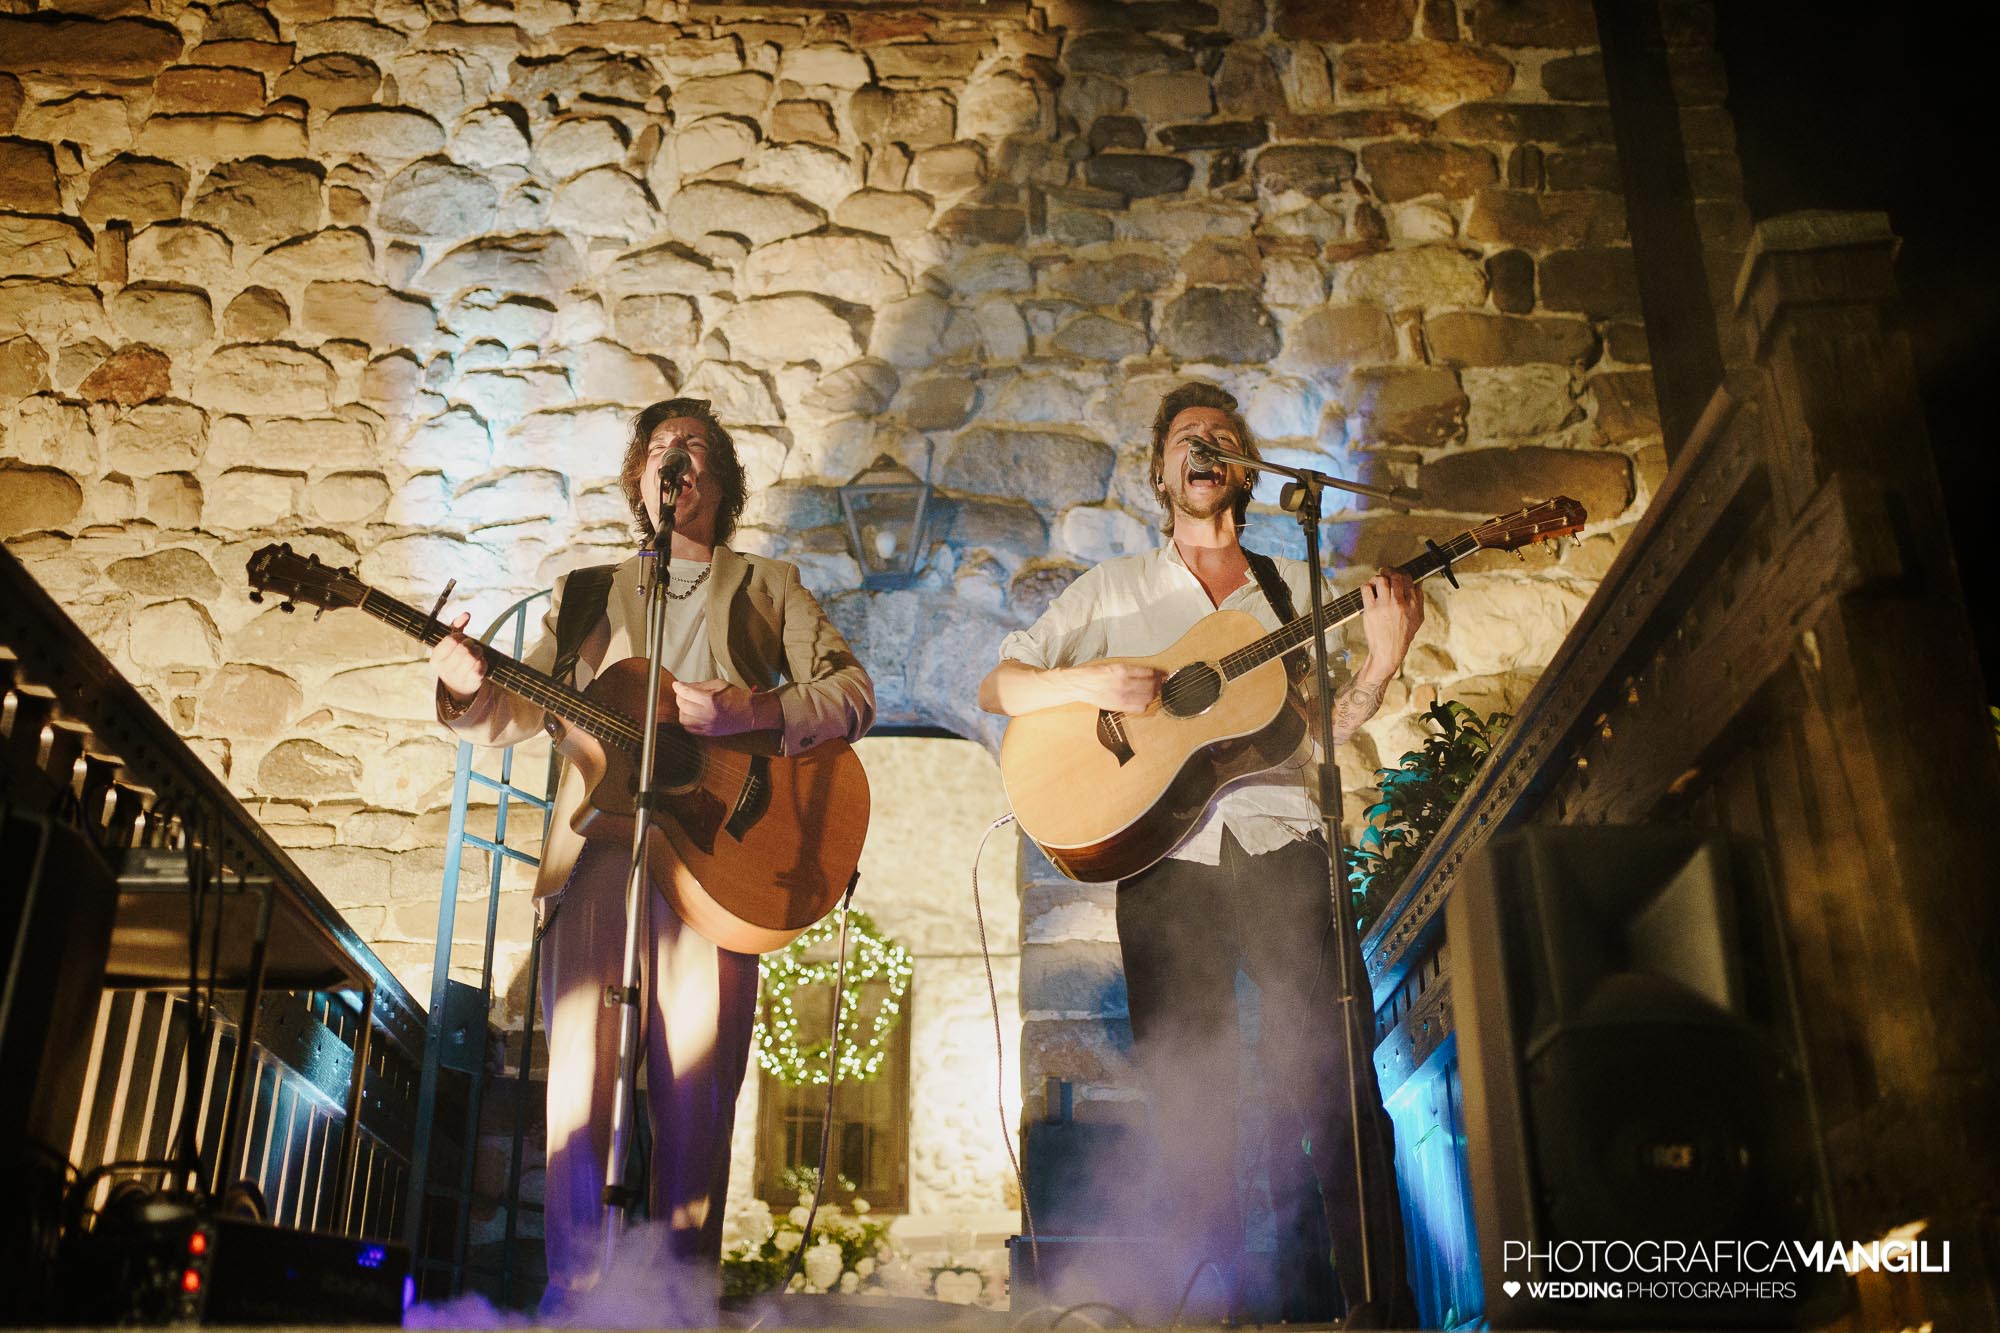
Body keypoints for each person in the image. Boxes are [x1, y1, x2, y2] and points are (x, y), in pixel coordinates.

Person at [977, 381, 1423, 1326]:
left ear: (1246, 470)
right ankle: (1204, 1313)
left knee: (1337, 1086)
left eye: (1224, 436)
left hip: (1284, 848)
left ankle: (1380, 1310)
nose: (1206, 445)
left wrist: (1380, 660)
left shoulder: (1293, 589)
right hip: (1165, 867)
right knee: (1193, 1105)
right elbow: (1001, 682)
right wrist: (1091, 678)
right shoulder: (1117, 589)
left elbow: (1318, 730)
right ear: (1161, 470)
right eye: (1188, 437)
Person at [429, 398, 874, 1304]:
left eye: (696, 449)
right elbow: (518, 711)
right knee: (580, 1093)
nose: (677, 462)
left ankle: (677, 1303)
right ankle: (580, 1299)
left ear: (722, 482)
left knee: (696, 1096)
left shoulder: (768, 583)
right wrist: (465, 691)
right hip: (597, 855)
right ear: (641, 479)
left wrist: (753, 711)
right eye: (661, 450)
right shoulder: (587, 592)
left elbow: (852, 693)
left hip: (723, 861)